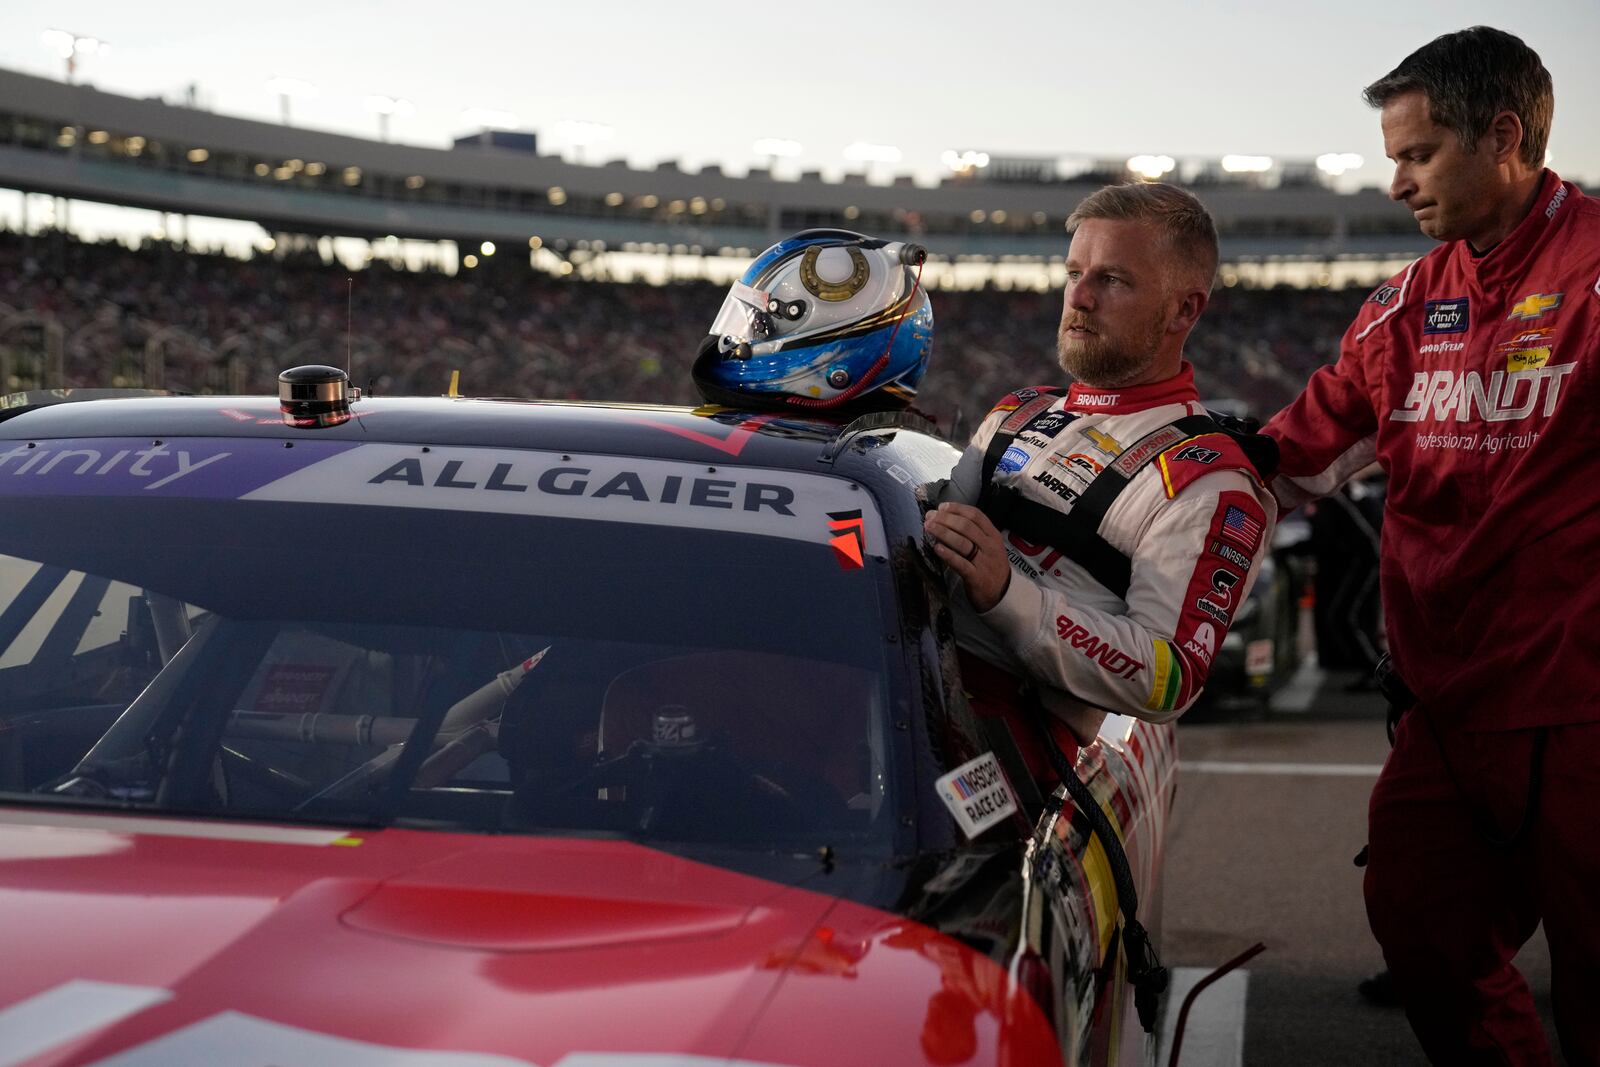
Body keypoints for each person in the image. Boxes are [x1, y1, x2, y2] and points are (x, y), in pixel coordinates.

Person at [1263, 27, 1600, 1065]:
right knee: (1418, 923)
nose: (1396, 182)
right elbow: (1289, 454)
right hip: (1445, 712)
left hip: (1583, 708)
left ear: (1502, 136)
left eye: (1415, 154)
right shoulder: (1402, 307)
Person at [922, 183, 1277, 772]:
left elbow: (1168, 679)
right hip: (901, 690)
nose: (1079, 298)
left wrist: (1009, 596)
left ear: (1185, 309)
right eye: (1073, 273)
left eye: (1112, 280)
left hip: (1009, 756)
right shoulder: (1019, 410)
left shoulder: (1213, 483)